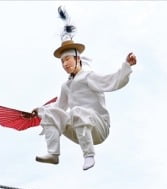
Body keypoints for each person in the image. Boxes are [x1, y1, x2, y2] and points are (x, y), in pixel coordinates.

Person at [32, 7, 136, 170]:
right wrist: (41, 111)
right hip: (79, 129)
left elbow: (113, 81)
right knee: (51, 112)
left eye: (67, 59)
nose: (65, 64)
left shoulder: (89, 76)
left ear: (78, 58)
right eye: (62, 62)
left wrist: (126, 66)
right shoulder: (66, 86)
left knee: (77, 111)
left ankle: (88, 155)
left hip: (98, 127)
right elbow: (59, 108)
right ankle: (53, 154)